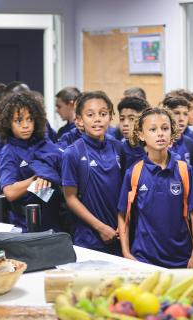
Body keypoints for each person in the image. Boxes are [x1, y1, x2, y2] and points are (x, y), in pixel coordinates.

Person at [117, 107, 193, 268]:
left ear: (172, 133)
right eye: (153, 129)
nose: (160, 133)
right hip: (143, 259)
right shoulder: (134, 172)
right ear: (141, 135)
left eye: (165, 128)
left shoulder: (185, 170)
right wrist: (126, 253)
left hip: (182, 258)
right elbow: (123, 215)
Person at [62, 91, 123, 254]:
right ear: (79, 121)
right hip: (89, 239)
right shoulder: (72, 153)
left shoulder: (119, 148)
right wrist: (101, 228)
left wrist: (123, 226)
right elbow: (70, 198)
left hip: (120, 236)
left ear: (110, 117)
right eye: (90, 114)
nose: (97, 119)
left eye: (103, 114)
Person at [0, 91, 63, 232]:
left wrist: (48, 173)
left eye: (30, 119)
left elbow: (63, 164)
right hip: (24, 225)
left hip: (54, 220)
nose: (25, 125)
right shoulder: (8, 152)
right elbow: (9, 192)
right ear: (8, 123)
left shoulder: (45, 142)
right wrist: (35, 179)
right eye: (19, 120)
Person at [163, 96, 193, 165]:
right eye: (176, 113)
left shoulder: (191, 144)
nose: (181, 118)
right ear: (167, 115)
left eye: (185, 114)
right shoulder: (159, 142)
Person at [118, 96, 150, 170]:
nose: (125, 123)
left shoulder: (154, 148)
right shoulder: (118, 149)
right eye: (122, 119)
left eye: (131, 119)